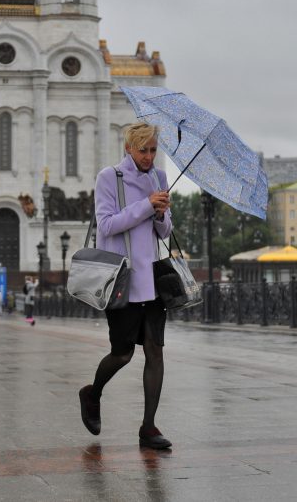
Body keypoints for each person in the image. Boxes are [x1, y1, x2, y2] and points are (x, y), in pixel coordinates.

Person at [78, 122, 173, 449]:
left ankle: (148, 427)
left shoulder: (159, 179)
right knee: (122, 354)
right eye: (143, 150)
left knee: (155, 352)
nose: (149, 157)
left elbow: (163, 232)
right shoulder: (109, 178)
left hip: (153, 282)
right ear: (129, 148)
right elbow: (106, 225)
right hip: (123, 280)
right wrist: (147, 206)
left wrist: (161, 214)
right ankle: (93, 393)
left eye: (153, 150)